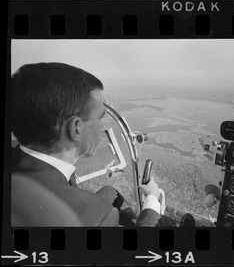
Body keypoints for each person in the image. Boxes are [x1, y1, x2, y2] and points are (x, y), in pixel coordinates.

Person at [11, 62, 188, 227]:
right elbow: (140, 253)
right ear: (76, 129)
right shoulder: (99, 217)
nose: (102, 126)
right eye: (100, 117)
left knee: (111, 192)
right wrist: (152, 206)